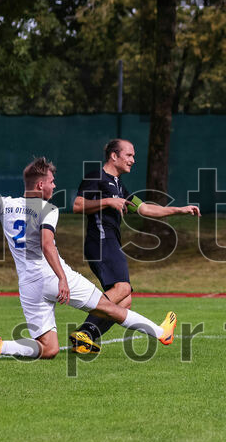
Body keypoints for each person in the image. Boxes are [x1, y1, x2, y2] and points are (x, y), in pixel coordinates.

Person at [0, 159, 177, 361]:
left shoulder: (5, 205)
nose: (54, 186)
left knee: (49, 349)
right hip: (52, 276)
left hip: (28, 284)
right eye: (51, 182)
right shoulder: (48, 209)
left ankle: (1, 346)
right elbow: (47, 244)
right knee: (110, 307)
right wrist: (62, 278)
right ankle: (161, 333)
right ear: (40, 185)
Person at [67, 139, 199, 354]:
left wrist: (180, 210)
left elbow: (145, 209)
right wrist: (108, 202)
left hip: (109, 243)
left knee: (124, 301)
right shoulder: (96, 177)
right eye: (129, 155)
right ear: (114, 156)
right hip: (101, 242)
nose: (133, 160)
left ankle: (86, 336)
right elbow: (77, 205)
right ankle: (85, 332)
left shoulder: (118, 185)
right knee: (122, 289)